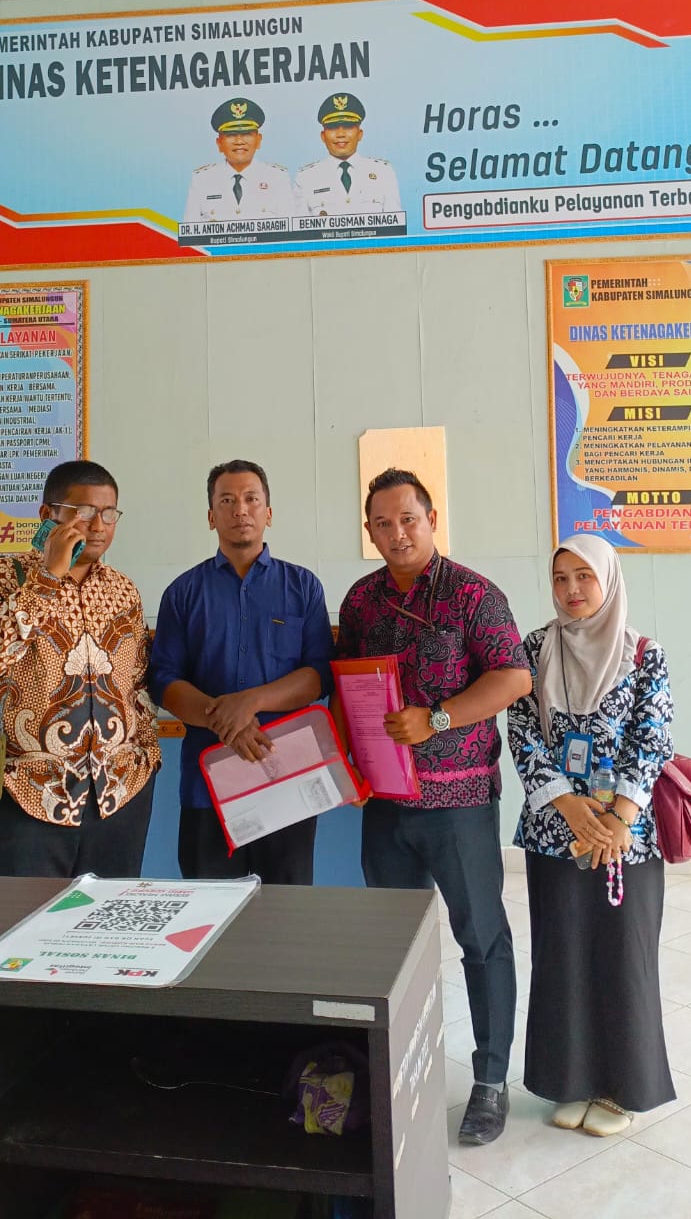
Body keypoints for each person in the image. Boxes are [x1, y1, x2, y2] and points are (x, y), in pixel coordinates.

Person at [333, 468, 531, 1144]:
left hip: (460, 801)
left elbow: (514, 676)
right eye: (383, 523)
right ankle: (402, 1070)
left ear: (432, 518)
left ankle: (491, 1080)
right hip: (385, 803)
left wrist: (438, 718)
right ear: (369, 531)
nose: (397, 533)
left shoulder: (474, 593)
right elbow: (346, 686)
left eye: (408, 519)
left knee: (481, 937)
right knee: (396, 944)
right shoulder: (361, 602)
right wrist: (348, 761)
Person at [507, 534, 675, 1136]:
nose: (572, 589)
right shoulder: (533, 650)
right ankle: (571, 1080)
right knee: (563, 954)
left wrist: (616, 820)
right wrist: (569, 807)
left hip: (627, 837)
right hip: (556, 832)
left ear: (608, 580)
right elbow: (521, 733)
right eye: (560, 578)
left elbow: (653, 738)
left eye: (584, 576)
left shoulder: (643, 654)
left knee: (623, 956)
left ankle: (621, 1089)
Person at [148, 459, 334, 885]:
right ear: (211, 516)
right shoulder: (182, 593)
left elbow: (319, 674)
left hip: (288, 777)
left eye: (251, 499)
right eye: (227, 501)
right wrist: (225, 722)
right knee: (211, 910)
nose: (240, 510)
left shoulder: (303, 587)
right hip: (208, 785)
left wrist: (251, 702)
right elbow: (164, 681)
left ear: (269, 512)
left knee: (287, 909)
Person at [0, 459, 160, 878]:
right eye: (84, 512)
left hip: (119, 793)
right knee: (25, 917)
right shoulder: (8, 577)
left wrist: (147, 756)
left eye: (109, 513)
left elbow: (138, 682)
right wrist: (49, 578)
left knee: (108, 914)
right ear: (47, 514)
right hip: (28, 792)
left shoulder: (123, 589)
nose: (99, 525)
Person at [184, 98, 293, 221]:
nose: (239, 141)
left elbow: (290, 229)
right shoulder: (201, 180)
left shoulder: (277, 178)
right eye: (231, 135)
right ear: (219, 143)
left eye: (247, 134)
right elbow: (190, 231)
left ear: (258, 140)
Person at [294, 93, 402, 216]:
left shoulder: (383, 173)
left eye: (348, 126)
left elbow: (396, 224)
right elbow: (299, 226)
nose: (341, 134)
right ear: (323, 136)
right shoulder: (306, 178)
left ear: (360, 134)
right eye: (333, 127)